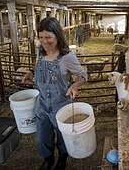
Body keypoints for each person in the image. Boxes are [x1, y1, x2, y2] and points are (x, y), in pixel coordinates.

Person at [22, 17, 88, 170]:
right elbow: (37, 67)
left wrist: (75, 85)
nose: (44, 41)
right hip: (42, 104)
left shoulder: (67, 57)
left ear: (57, 35)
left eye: (48, 37)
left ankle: (62, 159)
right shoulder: (39, 52)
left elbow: (83, 75)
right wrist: (31, 73)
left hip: (61, 105)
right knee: (42, 137)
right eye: (41, 37)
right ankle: (48, 159)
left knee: (63, 137)